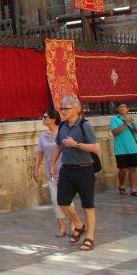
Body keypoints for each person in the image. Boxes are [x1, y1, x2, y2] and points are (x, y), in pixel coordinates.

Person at [50, 96, 99, 251]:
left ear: (76, 109)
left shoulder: (85, 125)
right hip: (67, 169)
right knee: (62, 201)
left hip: (84, 168)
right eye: (62, 108)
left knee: (88, 205)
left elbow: (95, 148)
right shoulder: (63, 126)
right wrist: (52, 164)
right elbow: (58, 146)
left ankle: (90, 237)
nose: (63, 111)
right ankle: (78, 225)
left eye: (66, 108)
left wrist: (76, 144)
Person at [34, 108, 69, 237]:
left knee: (66, 199)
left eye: (45, 117)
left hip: (64, 169)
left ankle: (74, 223)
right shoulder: (43, 135)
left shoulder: (62, 132)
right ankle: (62, 227)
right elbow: (39, 153)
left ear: (53, 119)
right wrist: (36, 169)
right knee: (55, 199)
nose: (43, 119)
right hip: (50, 171)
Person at [110, 103, 137, 196]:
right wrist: (125, 124)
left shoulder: (133, 119)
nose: (122, 109)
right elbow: (115, 132)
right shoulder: (115, 120)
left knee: (133, 169)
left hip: (133, 148)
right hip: (121, 149)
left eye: (124, 107)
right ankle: (122, 185)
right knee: (123, 169)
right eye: (120, 107)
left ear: (128, 109)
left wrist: (133, 124)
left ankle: (134, 189)